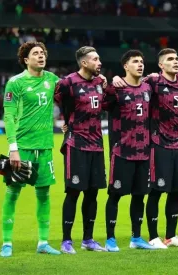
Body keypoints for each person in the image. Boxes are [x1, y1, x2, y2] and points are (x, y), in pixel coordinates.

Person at [1, 42, 61, 257]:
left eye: (43, 53)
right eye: (35, 53)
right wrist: (13, 148)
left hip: (45, 147)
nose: (41, 56)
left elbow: (76, 91)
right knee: (12, 193)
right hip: (23, 148)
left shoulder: (53, 80)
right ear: (26, 60)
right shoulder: (15, 83)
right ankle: (7, 242)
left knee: (44, 195)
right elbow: (8, 116)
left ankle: (43, 242)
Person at [54, 46, 107, 254]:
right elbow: (56, 100)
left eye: (99, 58)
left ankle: (88, 239)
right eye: (95, 59)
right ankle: (66, 240)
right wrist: (64, 122)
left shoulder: (100, 83)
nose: (99, 62)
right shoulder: (67, 82)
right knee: (74, 192)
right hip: (76, 143)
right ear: (84, 62)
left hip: (97, 145)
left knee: (93, 193)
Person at [103, 50, 154, 251]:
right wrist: (111, 80)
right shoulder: (115, 88)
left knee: (140, 195)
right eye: (135, 62)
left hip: (144, 152)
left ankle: (136, 238)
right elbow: (98, 107)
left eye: (141, 61)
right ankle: (110, 239)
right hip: (122, 150)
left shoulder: (149, 88)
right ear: (125, 66)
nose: (140, 64)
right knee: (115, 195)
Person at [144, 48, 178, 248]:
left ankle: (170, 236)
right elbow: (134, 84)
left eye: (177, 58)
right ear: (161, 65)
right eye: (170, 59)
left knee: (175, 191)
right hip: (158, 144)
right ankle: (153, 236)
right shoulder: (153, 82)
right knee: (156, 191)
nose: (175, 61)